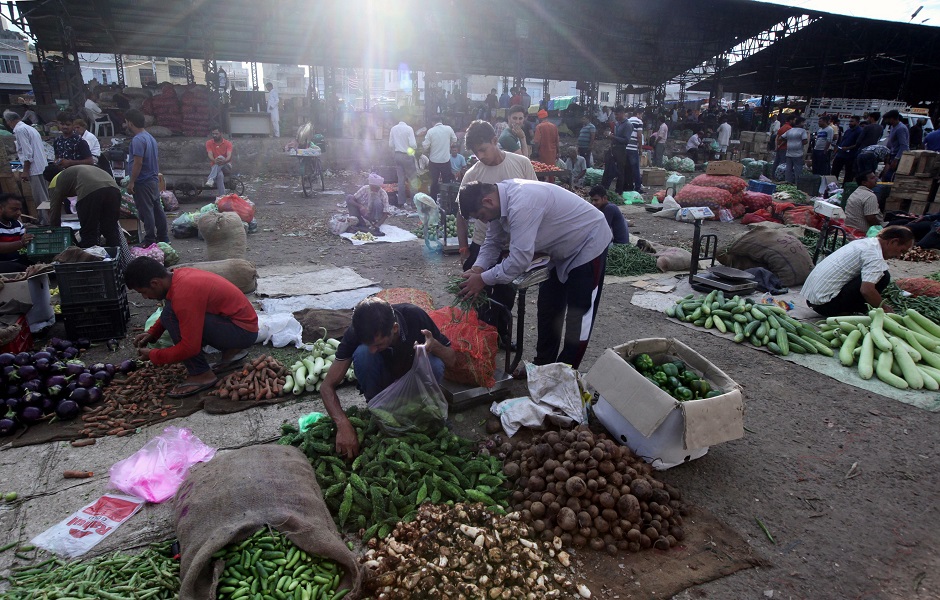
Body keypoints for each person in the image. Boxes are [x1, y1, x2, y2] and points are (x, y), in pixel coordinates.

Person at [459, 180, 611, 371]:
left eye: (482, 216)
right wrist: (478, 268)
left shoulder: (522, 202)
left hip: (587, 242)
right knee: (548, 307)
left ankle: (564, 374)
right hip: (559, 251)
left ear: (487, 201)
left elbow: (519, 260)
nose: (484, 221)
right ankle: (542, 366)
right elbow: (492, 242)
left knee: (578, 317)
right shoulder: (498, 206)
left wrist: (482, 280)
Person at [318, 296, 455, 458]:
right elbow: (327, 387)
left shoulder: (415, 317)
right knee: (363, 354)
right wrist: (342, 424)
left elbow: (452, 359)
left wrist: (435, 346)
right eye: (370, 344)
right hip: (382, 383)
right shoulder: (357, 331)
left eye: (378, 344)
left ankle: (423, 411)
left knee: (434, 363)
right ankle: (380, 413)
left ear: (395, 328)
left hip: (413, 385)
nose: (374, 350)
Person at [127, 257, 259, 398]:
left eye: (143, 292)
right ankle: (232, 352)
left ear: (155, 283)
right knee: (170, 312)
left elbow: (189, 348)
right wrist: (153, 332)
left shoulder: (184, 292)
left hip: (243, 332)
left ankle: (201, 374)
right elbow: (171, 309)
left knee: (171, 317)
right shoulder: (177, 276)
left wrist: (154, 355)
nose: (145, 297)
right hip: (240, 326)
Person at [455, 120, 538, 341]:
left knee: (505, 294)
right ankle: (479, 337)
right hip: (483, 243)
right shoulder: (472, 174)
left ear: (495, 141)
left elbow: (536, 199)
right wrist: (464, 247)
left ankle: (500, 335)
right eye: (475, 152)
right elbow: (460, 215)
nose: (480, 155)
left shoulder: (521, 164)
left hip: (513, 244)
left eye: (483, 149)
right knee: (476, 293)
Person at [801, 226, 914, 317]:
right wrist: (884, 309)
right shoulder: (874, 256)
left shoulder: (866, 243)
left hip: (811, 300)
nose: (898, 255)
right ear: (894, 242)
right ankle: (847, 311)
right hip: (826, 305)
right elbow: (866, 290)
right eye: (901, 251)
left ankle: (849, 308)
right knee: (883, 276)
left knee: (877, 275)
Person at [44, 165, 129, 267]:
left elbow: (55, 211)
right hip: (113, 188)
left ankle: (92, 268)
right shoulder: (71, 171)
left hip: (90, 190)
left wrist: (54, 231)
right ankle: (118, 265)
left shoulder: (54, 181)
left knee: (89, 232)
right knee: (110, 230)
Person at [124, 108, 168, 246]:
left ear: (130, 123)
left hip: (143, 180)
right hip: (152, 179)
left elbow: (138, 162)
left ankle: (149, 239)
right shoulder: (149, 137)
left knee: (146, 210)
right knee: (156, 208)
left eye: (126, 122)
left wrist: (131, 182)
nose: (125, 125)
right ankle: (163, 236)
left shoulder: (138, 140)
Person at [4, 109, 49, 224]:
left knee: (40, 197)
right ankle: (46, 218)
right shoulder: (29, 128)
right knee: (44, 196)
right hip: (41, 167)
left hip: (35, 168)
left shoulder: (20, 130)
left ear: (10, 121)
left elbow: (27, 153)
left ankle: (45, 221)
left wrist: (25, 171)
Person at [422, 117, 457, 200]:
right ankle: (446, 201)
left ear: (433, 122)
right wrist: (448, 145)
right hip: (445, 160)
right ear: (441, 121)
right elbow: (454, 139)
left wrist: (427, 149)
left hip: (434, 161)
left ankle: (433, 200)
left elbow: (425, 145)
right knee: (446, 182)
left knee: (434, 182)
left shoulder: (430, 131)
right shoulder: (448, 129)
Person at [601, 106, 633, 195]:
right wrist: (610, 136)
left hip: (621, 150)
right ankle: (605, 188)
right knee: (608, 169)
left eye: (617, 114)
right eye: (615, 114)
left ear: (622, 113)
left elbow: (626, 140)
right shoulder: (617, 124)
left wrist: (613, 137)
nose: (616, 116)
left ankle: (619, 191)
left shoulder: (628, 125)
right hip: (614, 148)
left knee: (620, 171)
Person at [0, 194, 33, 274]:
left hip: (16, 261)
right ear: (0, 208)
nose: (19, 213)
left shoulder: (17, 224)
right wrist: (21, 243)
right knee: (19, 268)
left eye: (19, 209)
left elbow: (25, 240)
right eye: (14, 209)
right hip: (2, 264)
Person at [388, 115, 417, 200]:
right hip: (407, 155)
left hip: (397, 155)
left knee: (400, 180)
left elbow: (390, 145)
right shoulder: (409, 129)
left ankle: (401, 202)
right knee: (412, 179)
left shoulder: (393, 129)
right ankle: (414, 202)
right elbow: (413, 145)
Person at [203, 128, 233, 197]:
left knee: (221, 157)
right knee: (219, 175)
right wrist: (214, 160)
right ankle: (222, 196)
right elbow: (209, 154)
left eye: (216, 134)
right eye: (213, 134)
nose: (214, 135)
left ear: (221, 134)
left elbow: (229, 156)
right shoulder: (209, 143)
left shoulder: (228, 143)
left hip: (226, 166)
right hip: (216, 166)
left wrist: (224, 160)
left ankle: (211, 178)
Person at [880, 110, 909, 182]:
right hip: (893, 154)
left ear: (892, 119)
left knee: (890, 177)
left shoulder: (900, 128)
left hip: (898, 156)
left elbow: (904, 146)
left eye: (887, 119)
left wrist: (896, 159)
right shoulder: (893, 127)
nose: (886, 121)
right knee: (885, 175)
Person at [831, 115, 861, 183]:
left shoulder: (859, 131)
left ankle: (845, 188)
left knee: (848, 173)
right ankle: (833, 185)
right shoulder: (848, 131)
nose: (850, 123)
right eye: (850, 121)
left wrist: (847, 148)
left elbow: (858, 144)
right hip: (841, 154)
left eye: (852, 121)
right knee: (834, 170)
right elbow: (842, 141)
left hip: (850, 155)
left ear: (857, 122)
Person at [781, 117, 808, 184]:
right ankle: (797, 184)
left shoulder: (790, 130)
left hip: (789, 152)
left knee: (788, 169)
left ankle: (787, 182)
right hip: (798, 153)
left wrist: (789, 140)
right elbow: (805, 141)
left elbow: (781, 137)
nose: (804, 124)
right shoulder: (803, 131)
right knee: (798, 169)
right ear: (801, 123)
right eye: (803, 122)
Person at [626, 110, 644, 193]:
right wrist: (640, 148)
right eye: (641, 114)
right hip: (633, 148)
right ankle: (637, 187)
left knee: (628, 168)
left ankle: (629, 186)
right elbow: (639, 136)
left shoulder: (627, 120)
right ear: (637, 114)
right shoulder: (639, 121)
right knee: (636, 168)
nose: (642, 116)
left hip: (626, 147)